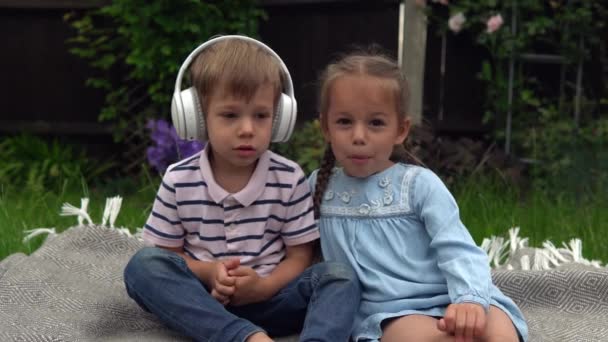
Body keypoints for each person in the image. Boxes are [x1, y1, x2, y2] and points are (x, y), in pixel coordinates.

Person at [124, 35, 360, 342]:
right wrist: (209, 272)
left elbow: (299, 256)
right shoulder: (179, 179)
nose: (247, 129)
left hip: (273, 300)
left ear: (279, 120)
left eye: (261, 116)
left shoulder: (288, 177)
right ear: (197, 118)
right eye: (230, 115)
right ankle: (245, 338)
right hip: (204, 302)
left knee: (339, 276)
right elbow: (170, 255)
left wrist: (264, 286)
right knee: (143, 266)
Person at [309, 50, 528, 342]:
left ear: (400, 130)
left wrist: (470, 299)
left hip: (453, 292)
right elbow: (292, 248)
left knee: (498, 330)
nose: (358, 136)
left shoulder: (419, 184)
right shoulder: (317, 188)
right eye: (345, 122)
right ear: (326, 127)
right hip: (393, 311)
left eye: (375, 123)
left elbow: (457, 248)